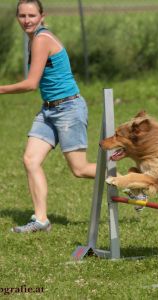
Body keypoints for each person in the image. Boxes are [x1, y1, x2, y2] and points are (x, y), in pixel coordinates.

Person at [0, 0, 96, 233]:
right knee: (31, 160)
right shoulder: (34, 39)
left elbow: (31, 83)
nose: (27, 20)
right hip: (49, 110)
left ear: (42, 16)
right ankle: (41, 220)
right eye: (22, 16)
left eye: (31, 15)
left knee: (80, 169)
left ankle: (132, 180)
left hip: (68, 109)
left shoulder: (41, 39)